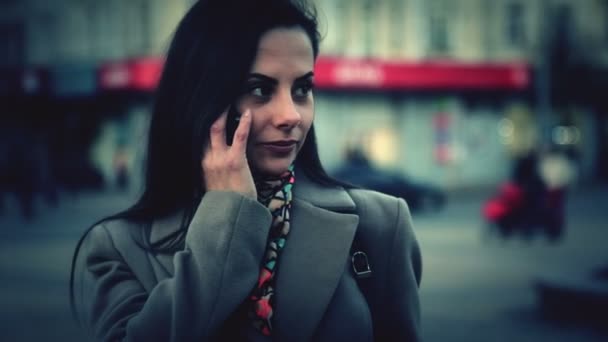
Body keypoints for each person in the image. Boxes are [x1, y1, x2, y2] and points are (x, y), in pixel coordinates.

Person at [70, 0, 422, 341]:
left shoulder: (380, 224)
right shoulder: (117, 248)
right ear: (200, 97)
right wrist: (229, 216)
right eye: (259, 89)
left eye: (302, 88)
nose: (291, 115)